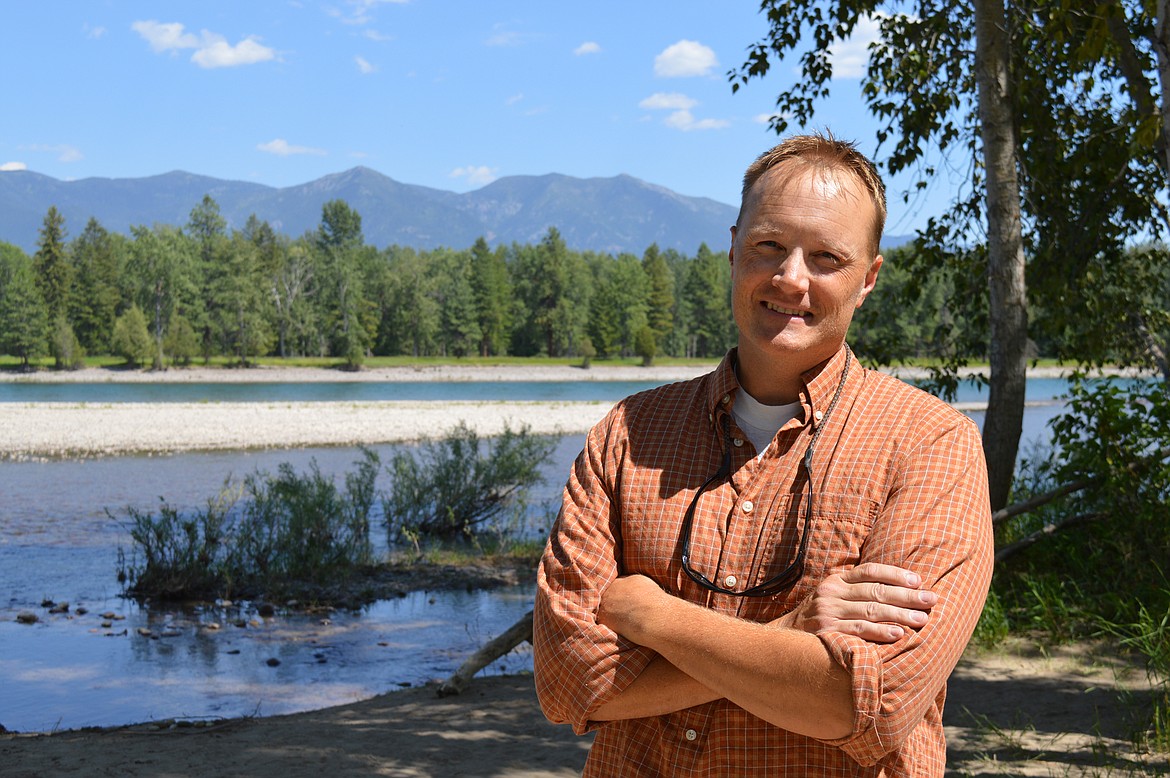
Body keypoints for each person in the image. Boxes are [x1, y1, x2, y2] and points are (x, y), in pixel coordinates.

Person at [533, 133, 994, 776]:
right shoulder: (629, 433)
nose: (790, 277)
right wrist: (794, 638)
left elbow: (866, 703)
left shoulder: (931, 445)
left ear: (869, 278)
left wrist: (654, 617)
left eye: (827, 257)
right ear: (732, 249)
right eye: (769, 246)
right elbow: (566, 684)